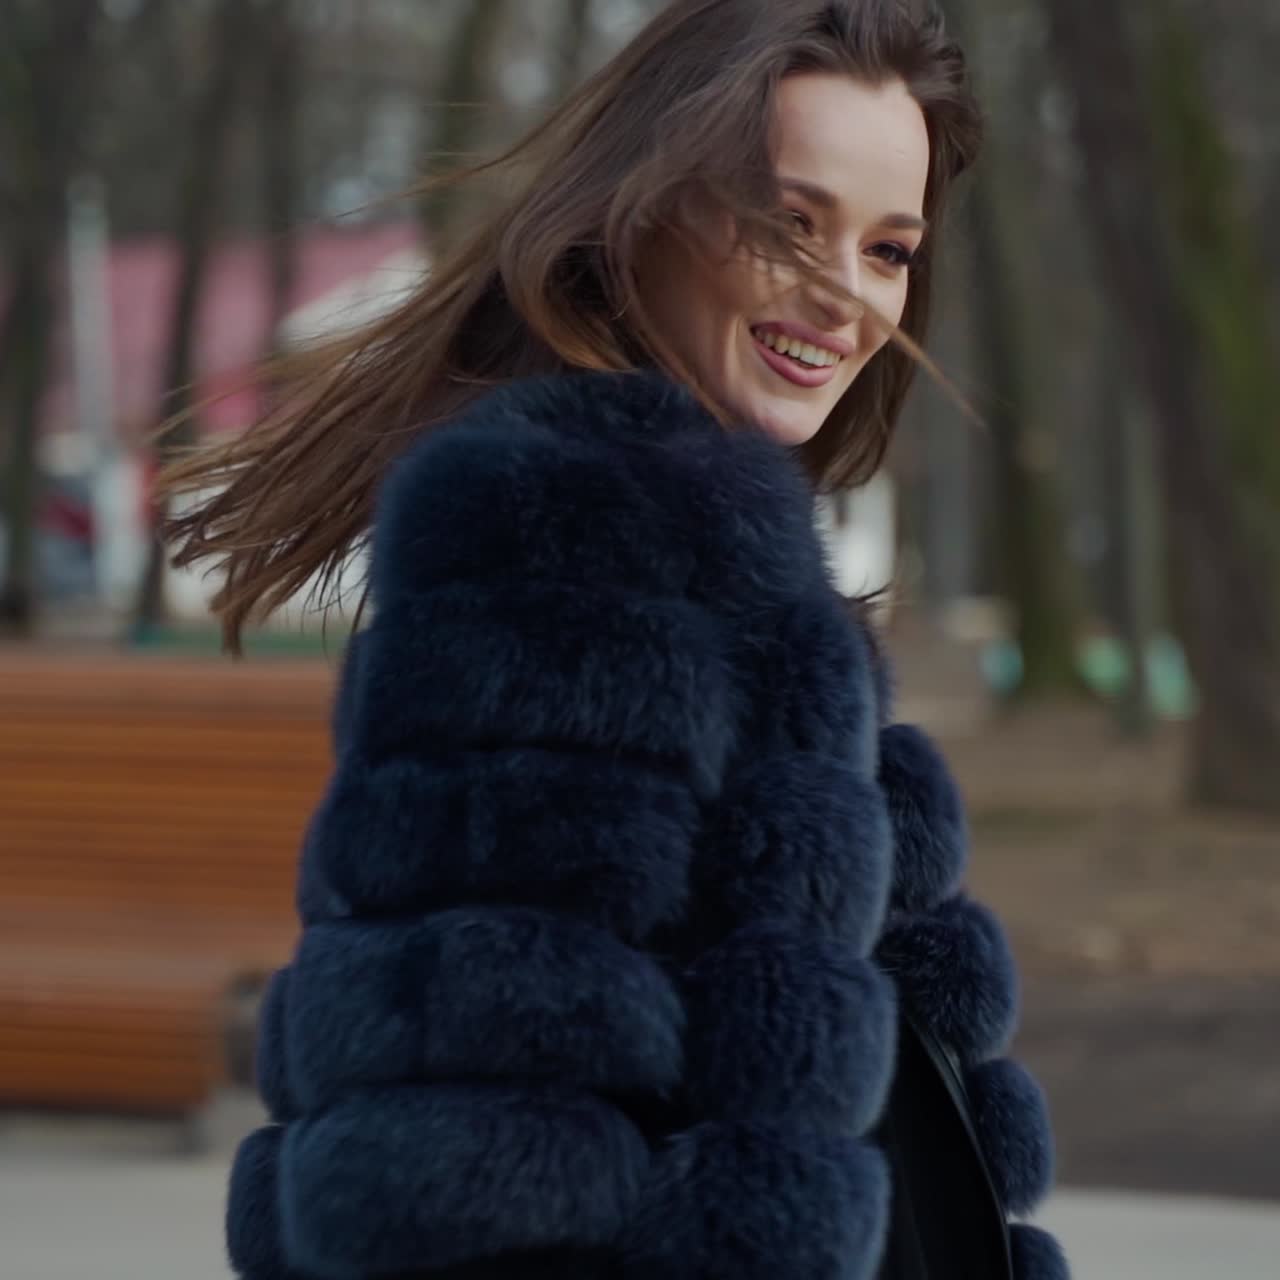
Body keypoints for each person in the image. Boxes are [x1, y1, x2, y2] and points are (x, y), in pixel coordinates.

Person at [165, 2, 1067, 1277]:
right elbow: (485, 1153)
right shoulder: (566, 559)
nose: (841, 296)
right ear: (648, 208)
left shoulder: (718, 575)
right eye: (785, 222)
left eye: (886, 248)